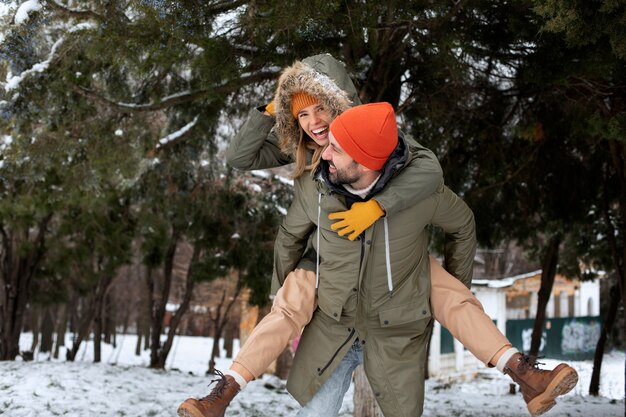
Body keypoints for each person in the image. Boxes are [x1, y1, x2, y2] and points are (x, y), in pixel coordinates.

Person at [177, 57, 578, 417]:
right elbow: (256, 185)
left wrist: (380, 206)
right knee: (291, 301)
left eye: (322, 110)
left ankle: (525, 374)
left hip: (392, 261)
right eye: (302, 115)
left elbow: (428, 173)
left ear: (343, 108)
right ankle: (225, 391)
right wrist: (275, 107)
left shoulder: (382, 141)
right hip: (327, 265)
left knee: (445, 290)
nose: (315, 124)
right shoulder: (305, 154)